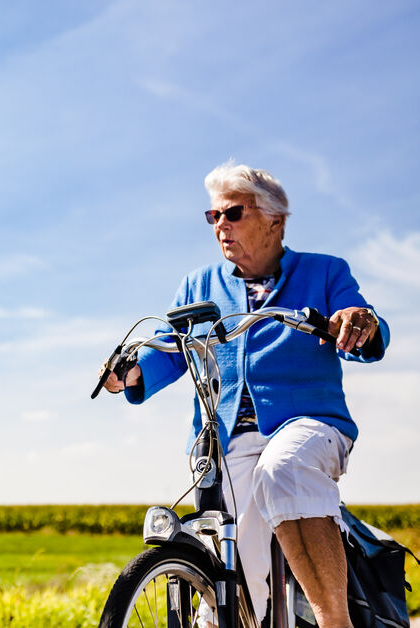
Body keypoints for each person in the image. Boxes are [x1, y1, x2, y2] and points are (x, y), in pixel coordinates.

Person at [103, 161, 389, 627]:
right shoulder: (198, 285)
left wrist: (360, 321)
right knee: (238, 568)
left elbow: (365, 327)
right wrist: (133, 374)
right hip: (226, 436)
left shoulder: (325, 272)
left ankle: (335, 621)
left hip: (308, 424)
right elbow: (173, 349)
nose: (220, 226)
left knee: (284, 468)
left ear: (275, 221)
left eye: (232, 213)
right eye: (212, 216)